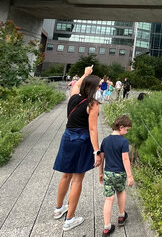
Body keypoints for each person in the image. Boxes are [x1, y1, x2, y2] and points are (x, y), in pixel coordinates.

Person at [53, 65, 102, 231]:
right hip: (81, 140)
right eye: (98, 85)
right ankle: (70, 219)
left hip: (67, 137)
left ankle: (59, 209)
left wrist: (85, 74)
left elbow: (75, 86)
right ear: (93, 88)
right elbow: (93, 129)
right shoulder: (93, 104)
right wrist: (97, 151)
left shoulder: (74, 98)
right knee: (77, 179)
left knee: (65, 175)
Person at [99, 115, 135, 233]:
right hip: (119, 174)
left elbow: (101, 158)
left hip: (108, 173)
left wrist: (100, 173)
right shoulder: (123, 141)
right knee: (121, 191)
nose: (126, 133)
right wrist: (130, 176)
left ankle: (107, 227)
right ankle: (121, 216)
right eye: (127, 130)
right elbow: (125, 160)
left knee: (109, 199)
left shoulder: (105, 140)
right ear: (121, 127)